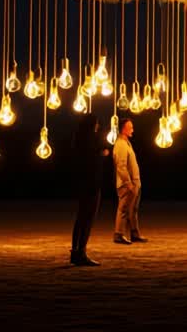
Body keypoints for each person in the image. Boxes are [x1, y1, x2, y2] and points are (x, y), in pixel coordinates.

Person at [70, 113, 110, 266]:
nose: (98, 126)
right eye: (97, 123)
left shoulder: (78, 138)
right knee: (88, 218)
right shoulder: (90, 140)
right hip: (91, 182)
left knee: (81, 218)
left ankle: (76, 251)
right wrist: (102, 154)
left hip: (83, 182)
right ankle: (81, 252)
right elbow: (93, 159)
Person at [113, 118, 147, 244]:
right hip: (127, 184)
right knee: (123, 209)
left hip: (134, 182)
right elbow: (121, 166)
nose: (132, 129)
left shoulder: (126, 143)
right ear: (123, 129)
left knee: (133, 210)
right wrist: (128, 184)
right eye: (130, 127)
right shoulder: (121, 144)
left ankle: (134, 233)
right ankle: (118, 234)